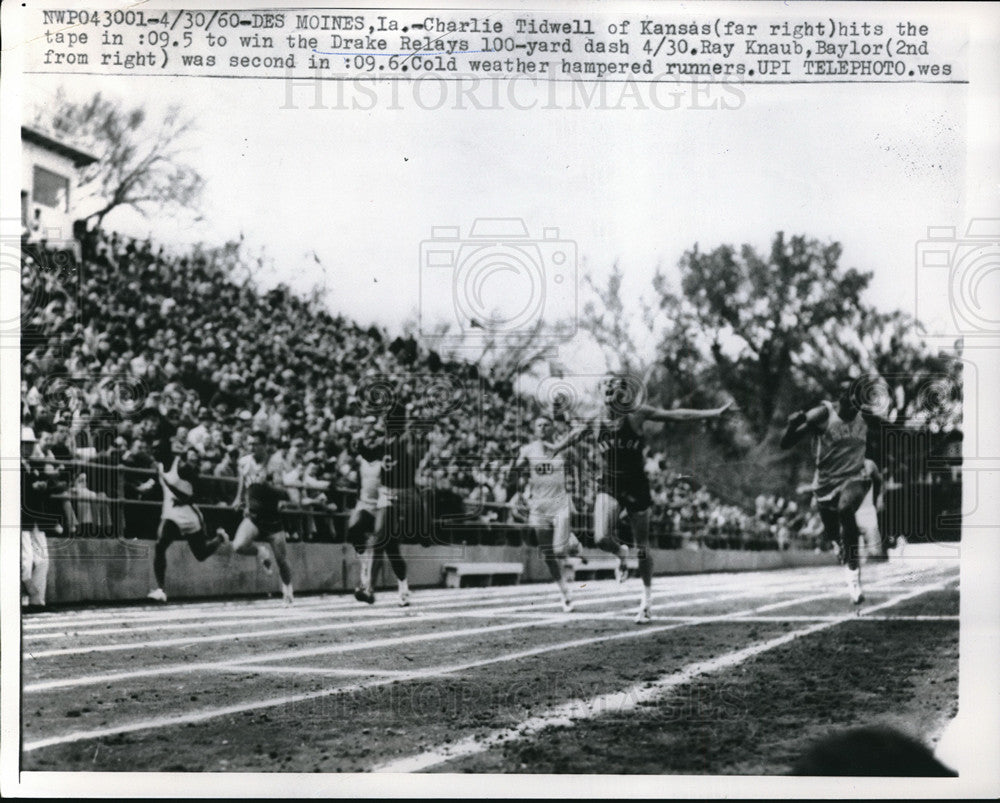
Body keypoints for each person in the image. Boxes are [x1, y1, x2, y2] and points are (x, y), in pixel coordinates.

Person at [556, 375, 733, 623]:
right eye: (605, 385)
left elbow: (676, 415)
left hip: (637, 485)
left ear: (622, 393)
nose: (609, 389)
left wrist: (713, 413)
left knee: (643, 547)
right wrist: (554, 449)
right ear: (600, 392)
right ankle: (620, 553)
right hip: (610, 483)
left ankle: (646, 600)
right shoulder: (595, 421)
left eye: (614, 386)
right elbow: (575, 435)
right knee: (600, 537)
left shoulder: (636, 415)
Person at [780, 377, 884, 604]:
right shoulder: (822, 414)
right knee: (833, 533)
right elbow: (785, 444)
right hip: (825, 485)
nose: (855, 409)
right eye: (851, 403)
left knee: (847, 509)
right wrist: (791, 425)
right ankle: (839, 545)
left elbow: (887, 430)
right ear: (842, 399)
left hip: (854, 478)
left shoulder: (866, 417)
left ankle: (853, 576)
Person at [354, 403, 430, 607]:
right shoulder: (386, 441)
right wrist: (362, 443)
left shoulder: (406, 439)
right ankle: (403, 588)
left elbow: (415, 458)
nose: (384, 423)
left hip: (403, 494)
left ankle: (369, 588)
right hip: (386, 493)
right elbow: (370, 455)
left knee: (381, 538)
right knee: (389, 547)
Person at [508, 416, 584, 612]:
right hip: (539, 507)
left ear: (552, 428)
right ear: (535, 430)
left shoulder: (563, 449)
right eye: (538, 426)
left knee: (559, 551)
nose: (542, 428)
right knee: (548, 553)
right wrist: (517, 488)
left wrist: (578, 488)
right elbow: (514, 472)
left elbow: (580, 464)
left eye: (546, 425)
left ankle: (570, 538)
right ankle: (564, 592)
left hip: (560, 504)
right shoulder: (528, 450)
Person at [224, 431, 295, 605]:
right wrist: (239, 499)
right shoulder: (244, 462)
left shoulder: (274, 464)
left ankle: (287, 588)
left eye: (255, 444)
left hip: (272, 518)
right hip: (254, 516)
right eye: (249, 444)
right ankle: (260, 552)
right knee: (238, 545)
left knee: (281, 561)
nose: (252, 447)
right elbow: (243, 481)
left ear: (264, 445)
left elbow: (284, 492)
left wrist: (268, 486)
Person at [147, 455, 227, 603]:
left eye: (158, 450)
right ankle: (160, 590)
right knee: (160, 545)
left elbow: (202, 490)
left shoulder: (181, 466)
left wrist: (185, 499)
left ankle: (220, 538)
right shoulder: (159, 467)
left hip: (188, 514)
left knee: (200, 554)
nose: (155, 452)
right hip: (170, 513)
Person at [349, 418, 387, 603]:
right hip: (365, 504)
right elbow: (359, 482)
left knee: (383, 547)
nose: (371, 441)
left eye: (375, 438)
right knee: (353, 529)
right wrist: (358, 500)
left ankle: (399, 586)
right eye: (369, 438)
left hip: (381, 505)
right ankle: (365, 570)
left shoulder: (385, 460)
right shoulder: (361, 461)